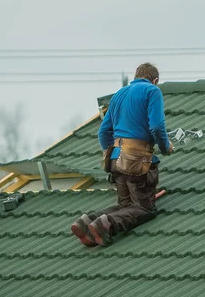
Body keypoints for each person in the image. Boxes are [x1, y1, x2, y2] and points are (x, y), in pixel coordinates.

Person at [71, 62, 173, 246]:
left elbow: (103, 132)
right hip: (136, 162)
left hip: (115, 160)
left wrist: (113, 152)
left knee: (127, 206)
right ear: (155, 80)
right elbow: (157, 126)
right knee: (144, 209)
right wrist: (166, 147)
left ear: (136, 76)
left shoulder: (119, 94)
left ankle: (87, 222)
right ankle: (106, 225)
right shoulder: (152, 91)